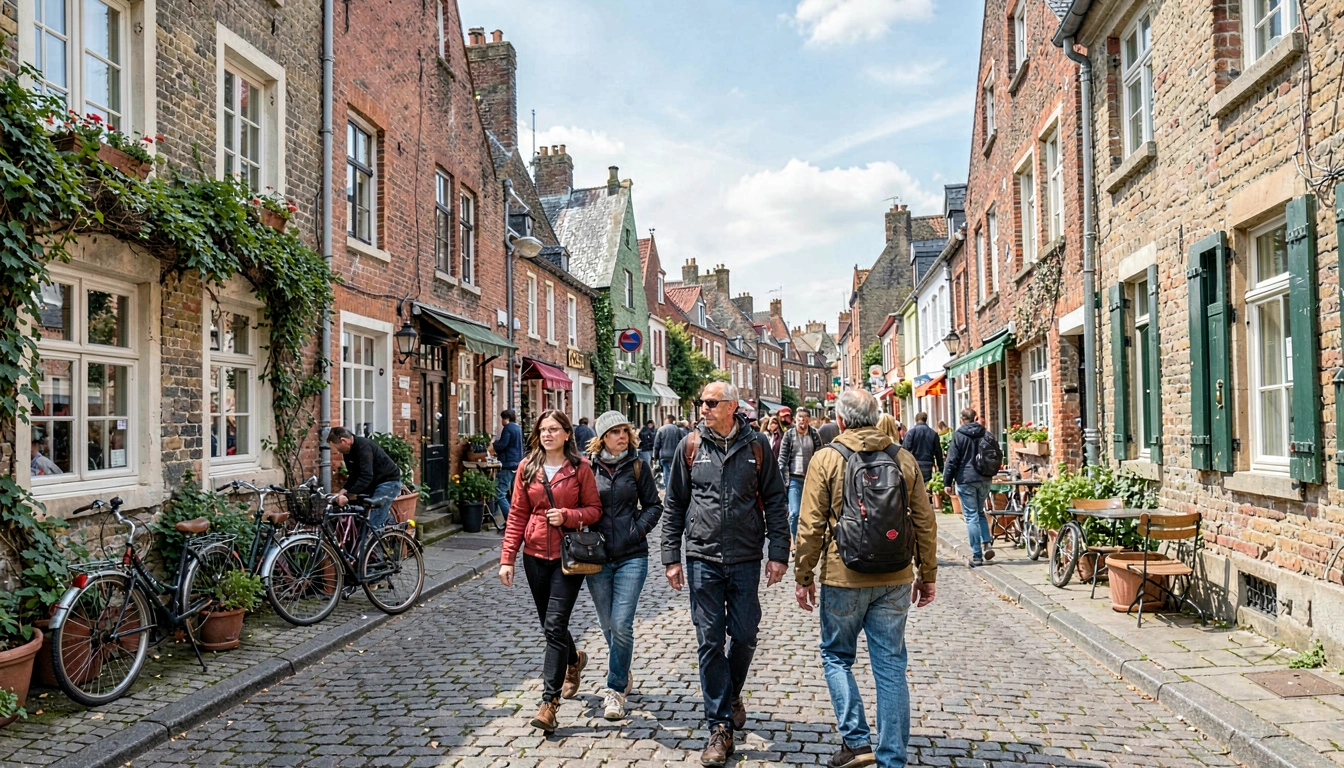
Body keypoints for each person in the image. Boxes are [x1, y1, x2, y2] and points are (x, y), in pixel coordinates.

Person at [794, 389, 938, 768]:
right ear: (876, 418)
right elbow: (925, 521)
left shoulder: (827, 458)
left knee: (836, 656)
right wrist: (927, 574)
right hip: (895, 576)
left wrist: (804, 575)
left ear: (840, 420)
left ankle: (857, 742)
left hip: (844, 575)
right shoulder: (902, 457)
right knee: (890, 666)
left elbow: (809, 525)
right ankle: (892, 758)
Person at [663, 381, 790, 767]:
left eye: (711, 402)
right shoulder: (689, 446)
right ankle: (719, 727)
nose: (703, 407)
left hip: (746, 555)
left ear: (732, 406)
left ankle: (731, 691)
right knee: (709, 640)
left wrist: (778, 553)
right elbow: (675, 503)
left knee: (746, 633)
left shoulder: (757, 445)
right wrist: (671, 557)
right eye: (701, 402)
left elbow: (776, 500)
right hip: (702, 556)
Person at [499, 410, 603, 735]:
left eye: (554, 429)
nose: (547, 434)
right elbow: (517, 513)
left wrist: (569, 516)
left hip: (567, 557)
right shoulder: (527, 467)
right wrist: (507, 558)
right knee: (550, 624)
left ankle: (549, 704)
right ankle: (574, 660)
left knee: (555, 625)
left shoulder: (580, 468)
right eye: (543, 429)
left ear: (567, 434)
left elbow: (594, 510)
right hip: (533, 556)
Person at [584, 411, 663, 719]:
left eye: (624, 431)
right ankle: (623, 667)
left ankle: (615, 689)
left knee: (621, 623)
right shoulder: (588, 468)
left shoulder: (638, 465)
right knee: (606, 622)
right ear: (603, 437)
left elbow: (654, 505)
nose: (622, 436)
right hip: (598, 557)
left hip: (632, 556)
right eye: (615, 432)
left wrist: (637, 530)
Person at [942, 408, 996, 567]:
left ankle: (977, 555)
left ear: (961, 419)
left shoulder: (959, 436)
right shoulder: (986, 433)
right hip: (984, 478)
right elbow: (996, 454)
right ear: (975, 418)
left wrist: (947, 482)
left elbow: (952, 460)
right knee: (980, 512)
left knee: (971, 516)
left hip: (966, 479)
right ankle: (987, 543)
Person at [328, 426, 403, 529]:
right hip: (373, 482)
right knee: (359, 518)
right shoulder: (347, 452)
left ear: (344, 441)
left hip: (387, 481)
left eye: (337, 448)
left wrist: (348, 494)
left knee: (374, 521)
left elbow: (366, 475)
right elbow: (353, 475)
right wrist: (344, 490)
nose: (337, 451)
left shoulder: (363, 447)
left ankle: (376, 535)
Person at [777, 408, 822, 542]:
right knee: (794, 512)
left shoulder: (814, 434)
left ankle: (807, 540)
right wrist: (784, 480)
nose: (802, 421)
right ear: (795, 419)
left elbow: (820, 455)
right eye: (799, 418)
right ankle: (795, 540)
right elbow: (782, 459)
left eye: (804, 418)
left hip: (811, 479)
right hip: (794, 478)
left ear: (809, 420)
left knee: (811, 513)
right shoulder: (789, 435)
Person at [493, 410, 524, 523]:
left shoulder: (508, 428)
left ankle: (510, 520)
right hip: (516, 463)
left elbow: (503, 444)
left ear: (506, 418)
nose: (501, 421)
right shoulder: (518, 428)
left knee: (500, 493)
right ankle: (514, 517)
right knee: (512, 493)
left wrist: (494, 444)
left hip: (508, 463)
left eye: (502, 418)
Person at [902, 411, 944, 483]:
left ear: (916, 419)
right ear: (926, 419)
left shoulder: (910, 433)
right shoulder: (933, 433)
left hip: (914, 465)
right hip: (927, 465)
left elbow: (905, 451)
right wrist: (941, 468)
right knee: (927, 486)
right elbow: (938, 452)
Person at [653, 415, 682, 489]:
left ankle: (668, 490)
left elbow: (656, 445)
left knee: (666, 474)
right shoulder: (677, 429)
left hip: (664, 456)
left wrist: (655, 458)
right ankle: (674, 489)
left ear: (666, 420)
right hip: (675, 455)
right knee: (674, 474)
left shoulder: (661, 430)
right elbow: (683, 441)